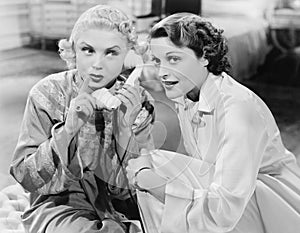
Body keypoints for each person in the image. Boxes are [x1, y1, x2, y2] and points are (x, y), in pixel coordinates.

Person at [126, 13, 300, 233]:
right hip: (236, 194)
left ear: (205, 57)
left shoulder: (236, 110)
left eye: (174, 59)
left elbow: (223, 209)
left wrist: (148, 180)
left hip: (271, 207)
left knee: (155, 169)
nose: (162, 73)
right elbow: (142, 70)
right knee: (152, 161)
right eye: (158, 61)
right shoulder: (187, 89)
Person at [10, 5, 154, 233]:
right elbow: (26, 177)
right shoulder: (47, 93)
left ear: (127, 55)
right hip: (59, 204)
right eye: (88, 50)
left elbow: (137, 187)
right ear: (73, 50)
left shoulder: (137, 102)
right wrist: (67, 131)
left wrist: (125, 132)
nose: (97, 64)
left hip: (120, 205)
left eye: (111, 52)